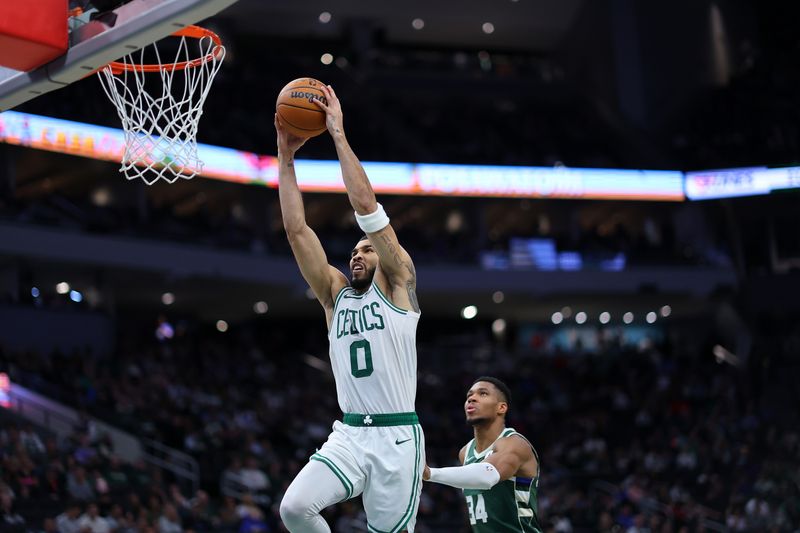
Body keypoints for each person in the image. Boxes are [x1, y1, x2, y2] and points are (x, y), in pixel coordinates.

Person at [276, 83, 423, 533]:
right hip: (350, 434)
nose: (357, 254)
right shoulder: (334, 295)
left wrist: (337, 135)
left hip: (397, 437)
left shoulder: (400, 283)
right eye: (353, 251)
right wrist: (285, 158)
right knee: (294, 509)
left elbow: (365, 206)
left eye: (367, 249)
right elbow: (297, 229)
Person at [423, 377, 542, 532]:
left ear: (501, 408)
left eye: (483, 394)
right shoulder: (465, 453)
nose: (472, 398)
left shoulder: (515, 444)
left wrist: (430, 473)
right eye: (469, 396)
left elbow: (488, 475)